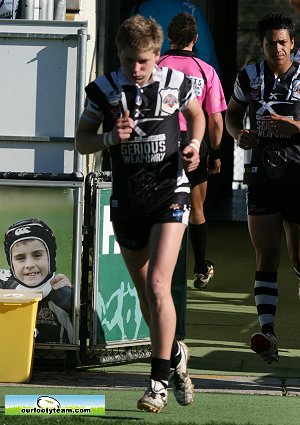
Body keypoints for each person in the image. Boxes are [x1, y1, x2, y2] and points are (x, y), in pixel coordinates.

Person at [76, 14, 206, 413]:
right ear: (119, 54)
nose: (137, 68)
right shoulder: (102, 90)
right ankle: (176, 356)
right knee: (145, 291)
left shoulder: (175, 82)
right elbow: (81, 142)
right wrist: (109, 138)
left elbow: (197, 115)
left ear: (157, 57)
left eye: (145, 61)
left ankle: (156, 383)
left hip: (171, 192)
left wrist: (195, 144)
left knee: (158, 286)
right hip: (128, 200)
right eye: (130, 59)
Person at [225, 12, 300, 365]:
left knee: (299, 259)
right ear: (262, 46)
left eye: (283, 42)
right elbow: (232, 114)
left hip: (298, 178)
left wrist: (294, 125)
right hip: (261, 179)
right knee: (266, 255)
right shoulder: (249, 76)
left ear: (292, 43)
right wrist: (240, 134)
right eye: (271, 43)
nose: (277, 49)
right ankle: (267, 332)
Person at [158, 13, 227, 290]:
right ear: (195, 39)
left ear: (169, 37)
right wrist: (217, 152)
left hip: (162, 140)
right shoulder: (205, 70)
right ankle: (200, 268)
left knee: (162, 207)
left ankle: (163, 266)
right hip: (193, 143)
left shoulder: (157, 66)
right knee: (196, 208)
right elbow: (217, 120)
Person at [0, 218, 73, 344]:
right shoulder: (4, 286)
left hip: (54, 362)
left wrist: (74, 296)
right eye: (20, 258)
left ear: (51, 257)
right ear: (11, 264)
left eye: (37, 255)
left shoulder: (62, 297)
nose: (29, 264)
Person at [131, 0, 221, 77]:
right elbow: (206, 54)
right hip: (182, 83)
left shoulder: (138, 9)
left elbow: (127, 49)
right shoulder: (192, 10)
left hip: (145, 81)